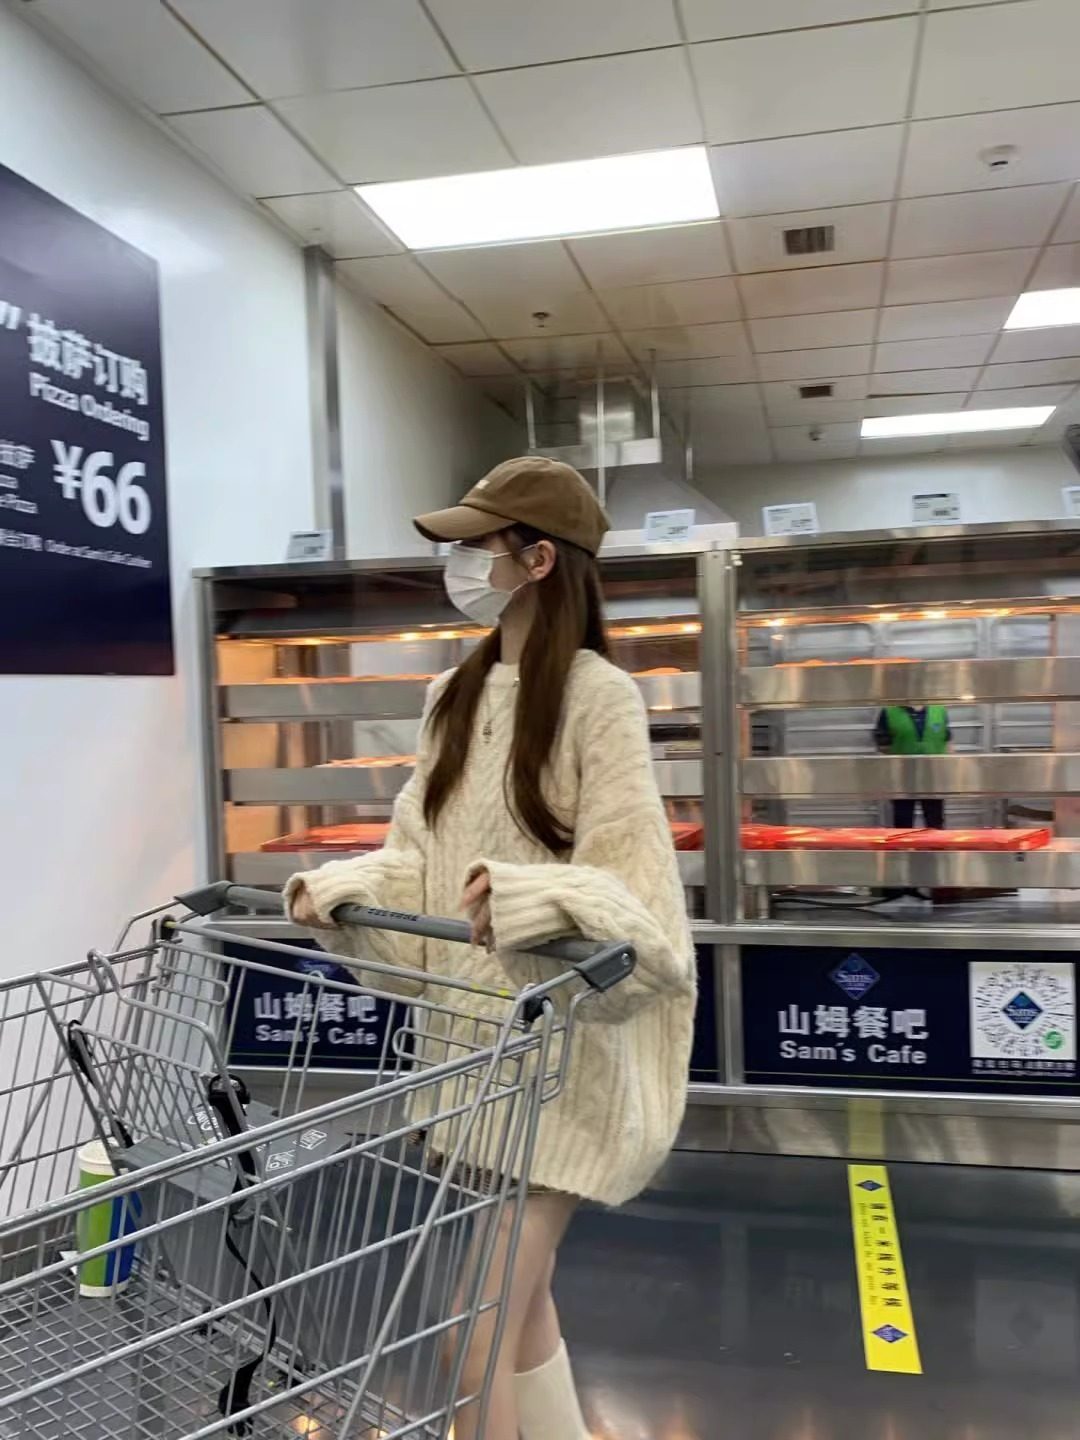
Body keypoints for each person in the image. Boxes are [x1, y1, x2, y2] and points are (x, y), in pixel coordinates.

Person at [287, 456, 697, 1440]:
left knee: (468, 1344)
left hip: (564, 1066)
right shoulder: (452, 695)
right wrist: (346, 892)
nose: (460, 563)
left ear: (539, 559)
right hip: (472, 1058)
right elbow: (417, 858)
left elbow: (636, 897)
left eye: (478, 545)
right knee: (523, 1312)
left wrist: (529, 900)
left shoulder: (600, 697)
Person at [874, 703, 951, 829]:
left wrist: (949, 770)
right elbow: (883, 746)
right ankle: (904, 842)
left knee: (935, 822)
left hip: (934, 777)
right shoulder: (889, 712)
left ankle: (935, 843)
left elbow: (947, 742)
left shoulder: (939, 709)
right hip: (902, 778)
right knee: (903, 821)